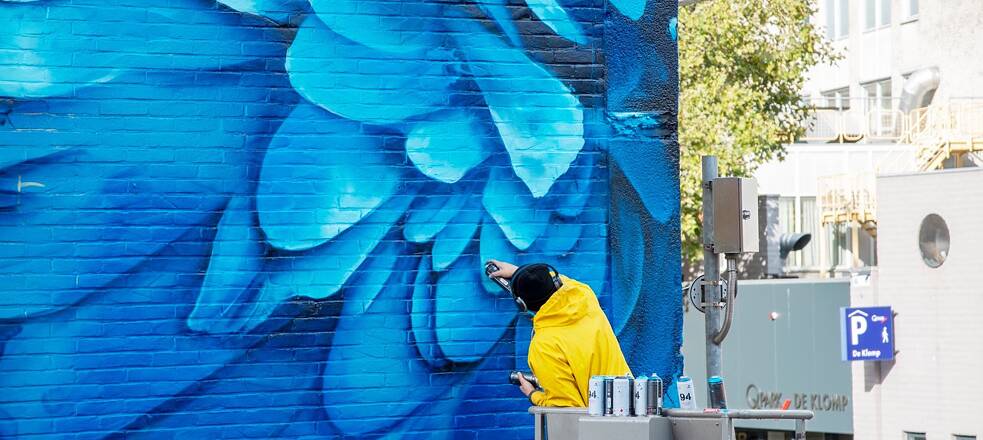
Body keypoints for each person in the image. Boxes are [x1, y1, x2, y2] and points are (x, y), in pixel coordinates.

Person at [486, 259, 632, 407]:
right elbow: (561, 283)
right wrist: (519, 272)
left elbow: (565, 408)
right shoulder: (584, 295)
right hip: (634, 408)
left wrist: (533, 394)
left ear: (522, 305)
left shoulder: (544, 346)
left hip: (603, 425)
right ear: (554, 283)